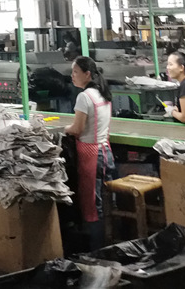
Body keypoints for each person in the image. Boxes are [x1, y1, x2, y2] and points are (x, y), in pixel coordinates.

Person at [64, 57, 115, 244]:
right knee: (105, 201)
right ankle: (108, 241)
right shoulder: (102, 93)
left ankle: (97, 248)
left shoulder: (84, 97)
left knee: (92, 205)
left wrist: (64, 129)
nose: (72, 76)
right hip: (105, 152)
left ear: (87, 74)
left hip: (91, 156)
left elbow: (77, 129)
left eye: (75, 72)